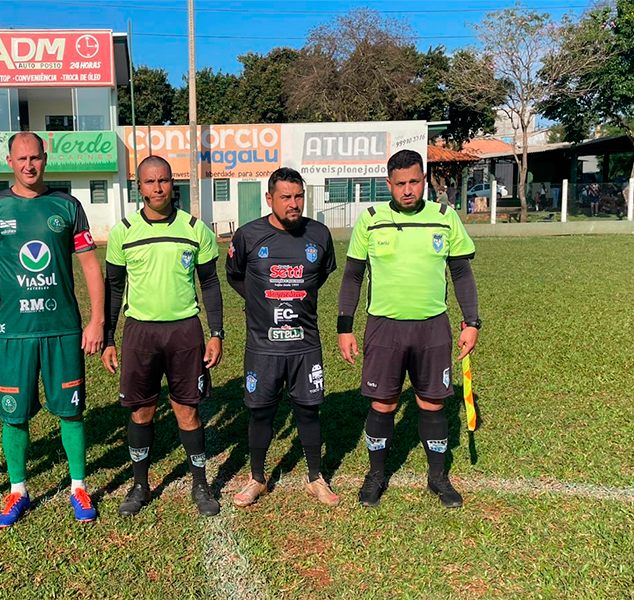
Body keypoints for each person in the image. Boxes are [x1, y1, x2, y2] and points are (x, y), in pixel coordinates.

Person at [0, 132, 104, 528]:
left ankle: (78, 486)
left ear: (46, 158)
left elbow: (89, 264)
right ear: (9, 162)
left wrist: (96, 320)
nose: (29, 165)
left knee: (72, 411)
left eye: (36, 157)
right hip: (13, 332)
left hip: (62, 329)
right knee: (14, 416)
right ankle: (18, 490)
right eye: (21, 158)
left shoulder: (67, 205)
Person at [337, 149, 480, 509]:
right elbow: (353, 276)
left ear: (424, 180)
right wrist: (344, 327)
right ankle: (376, 475)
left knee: (432, 402)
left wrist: (472, 321)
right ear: (389, 183)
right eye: (400, 183)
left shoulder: (444, 218)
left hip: (432, 327)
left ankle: (438, 477)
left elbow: (461, 273)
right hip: (384, 328)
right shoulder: (371, 220)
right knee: (383, 402)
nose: (407, 190)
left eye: (414, 181)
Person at [102, 155, 224, 517]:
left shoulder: (195, 229)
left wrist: (216, 333)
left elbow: (210, 283)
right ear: (138, 186)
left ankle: (200, 485)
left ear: (174, 183)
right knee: (142, 411)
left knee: (188, 409)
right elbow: (113, 289)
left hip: (184, 331)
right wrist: (109, 339)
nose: (157, 188)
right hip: (140, 332)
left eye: (164, 180)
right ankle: (140, 485)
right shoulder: (123, 232)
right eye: (150, 181)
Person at [225, 167, 339, 508]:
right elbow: (234, 275)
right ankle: (257, 478)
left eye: (299, 196)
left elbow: (319, 277)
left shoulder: (319, 234)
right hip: (263, 345)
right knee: (260, 412)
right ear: (269, 198)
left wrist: (293, 296)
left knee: (309, 410)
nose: (294, 203)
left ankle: (315, 477)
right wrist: (259, 300)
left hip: (305, 343)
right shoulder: (248, 235)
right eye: (286, 197)